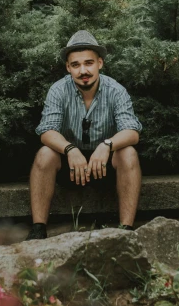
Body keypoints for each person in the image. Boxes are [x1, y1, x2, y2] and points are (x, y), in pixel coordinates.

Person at [26, 30, 142, 240]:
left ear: (100, 63)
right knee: (45, 153)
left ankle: (127, 232)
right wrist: (70, 149)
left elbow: (132, 132)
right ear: (68, 68)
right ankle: (38, 230)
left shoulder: (116, 90)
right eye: (76, 65)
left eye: (88, 63)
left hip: (105, 167)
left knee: (129, 153)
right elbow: (46, 131)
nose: (83, 70)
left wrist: (106, 145)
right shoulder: (58, 90)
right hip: (70, 168)